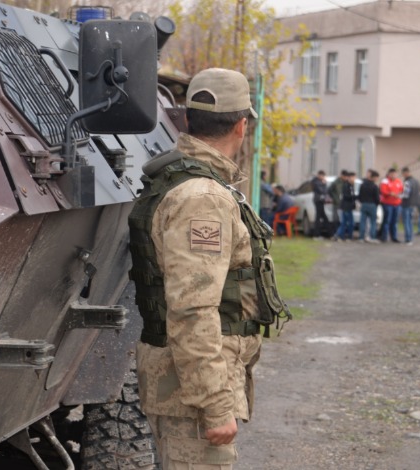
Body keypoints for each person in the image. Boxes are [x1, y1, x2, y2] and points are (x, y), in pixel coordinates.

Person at [127, 68, 287, 470]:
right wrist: (216, 404)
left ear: (187, 119)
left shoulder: (193, 183)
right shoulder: (203, 198)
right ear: (242, 125)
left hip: (187, 383)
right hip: (192, 394)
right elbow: (192, 309)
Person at [379, 168, 403, 243]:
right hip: (388, 204)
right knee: (387, 221)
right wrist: (390, 193)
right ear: (389, 174)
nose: (393, 175)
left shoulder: (399, 181)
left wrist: (398, 195)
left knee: (395, 221)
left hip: (397, 204)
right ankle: (384, 237)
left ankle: (394, 237)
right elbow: (383, 191)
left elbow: (402, 191)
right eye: (392, 174)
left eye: (394, 174)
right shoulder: (385, 181)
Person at [358, 169, 381, 243]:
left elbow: (360, 196)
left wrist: (362, 202)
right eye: (377, 177)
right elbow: (377, 198)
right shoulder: (375, 186)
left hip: (364, 204)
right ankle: (372, 237)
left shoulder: (362, 185)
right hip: (372, 205)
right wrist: (376, 204)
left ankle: (361, 237)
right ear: (374, 177)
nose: (377, 179)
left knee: (362, 221)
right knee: (373, 222)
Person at [400, 167, 419, 246]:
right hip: (413, 204)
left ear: (405, 173)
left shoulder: (407, 182)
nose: (403, 175)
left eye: (403, 174)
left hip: (406, 204)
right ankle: (410, 239)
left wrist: (397, 196)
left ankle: (408, 239)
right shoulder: (416, 181)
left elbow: (405, 194)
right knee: (410, 222)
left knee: (406, 222)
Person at [335, 171, 356, 241]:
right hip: (346, 207)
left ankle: (342, 236)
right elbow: (346, 196)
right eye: (353, 177)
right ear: (349, 178)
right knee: (347, 222)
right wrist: (354, 197)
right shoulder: (346, 185)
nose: (354, 179)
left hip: (349, 207)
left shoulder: (351, 186)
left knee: (347, 222)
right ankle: (341, 236)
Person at [312, 170, 330, 238]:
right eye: (322, 176)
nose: (323, 178)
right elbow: (323, 191)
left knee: (322, 217)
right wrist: (324, 184)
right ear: (319, 175)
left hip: (321, 200)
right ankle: (317, 234)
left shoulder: (318, 182)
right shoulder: (316, 182)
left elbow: (325, 191)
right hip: (318, 200)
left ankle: (329, 233)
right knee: (318, 217)